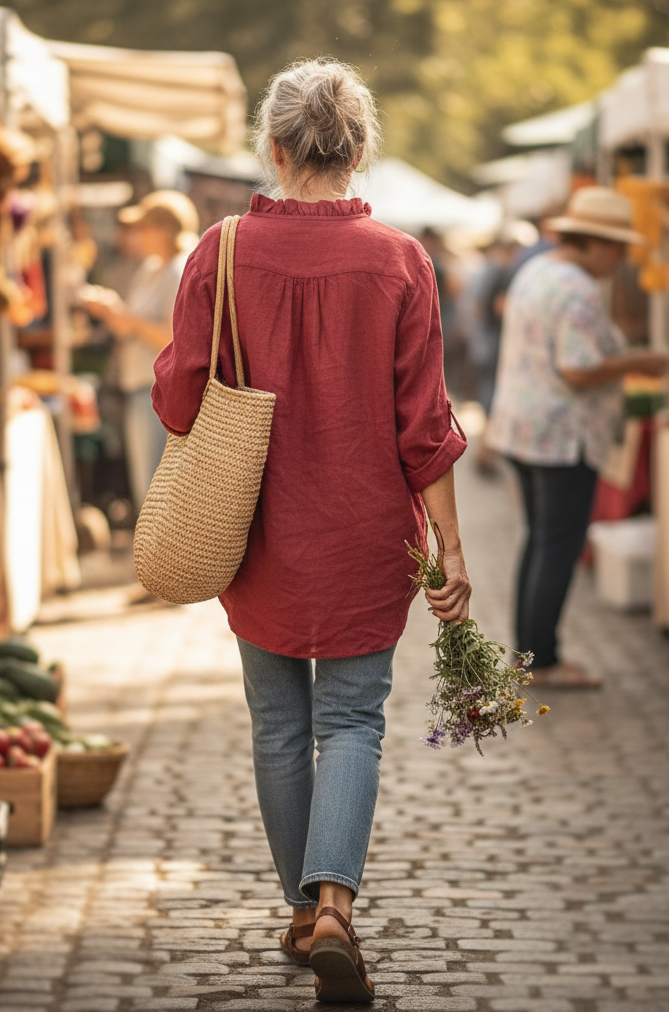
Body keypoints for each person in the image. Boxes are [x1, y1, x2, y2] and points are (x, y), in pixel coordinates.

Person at [151, 58, 470, 1003]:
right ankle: (335, 904)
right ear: (359, 150)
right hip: (371, 532)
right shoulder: (403, 261)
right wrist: (451, 548)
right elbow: (426, 423)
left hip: (257, 532)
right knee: (354, 719)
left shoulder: (221, 250)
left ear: (276, 149)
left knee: (278, 724)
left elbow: (177, 398)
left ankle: (301, 914)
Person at [486, 186, 669, 688]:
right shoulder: (578, 289)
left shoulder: (536, 271)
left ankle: (529, 656)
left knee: (540, 543)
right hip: (562, 439)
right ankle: (541, 660)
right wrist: (638, 360)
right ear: (595, 241)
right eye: (619, 247)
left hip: (524, 431)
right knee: (556, 547)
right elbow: (578, 369)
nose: (623, 257)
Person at [84, 190, 199, 511]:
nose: (136, 236)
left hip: (160, 392)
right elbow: (130, 326)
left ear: (163, 230)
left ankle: (161, 559)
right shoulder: (151, 269)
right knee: (146, 486)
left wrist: (125, 316)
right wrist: (111, 311)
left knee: (155, 491)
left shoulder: (178, 270)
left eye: (143, 228)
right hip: (141, 388)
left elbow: (173, 336)